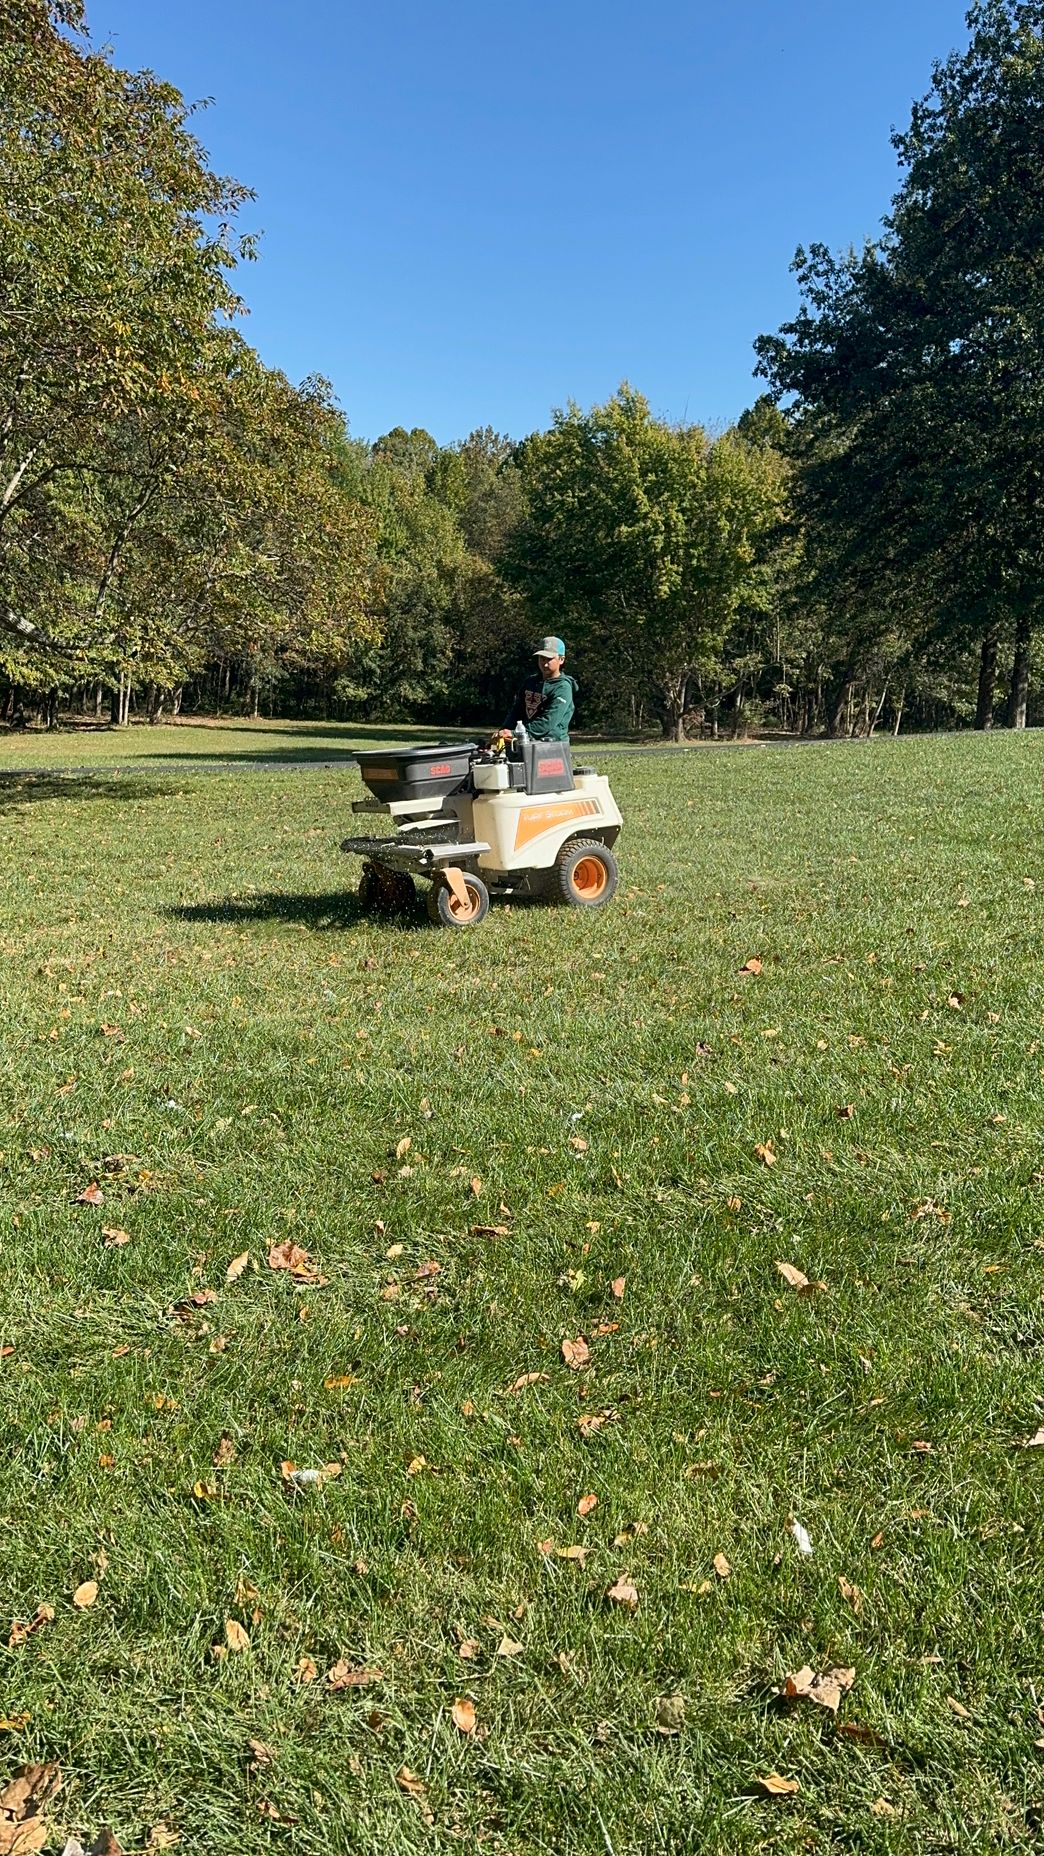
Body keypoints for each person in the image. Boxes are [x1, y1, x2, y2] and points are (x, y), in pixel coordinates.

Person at [499, 636, 576, 742]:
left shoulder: (563, 687)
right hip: (525, 741)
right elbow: (517, 710)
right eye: (542, 658)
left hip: (553, 745)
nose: (544, 663)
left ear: (561, 660)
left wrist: (516, 733)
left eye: (549, 659)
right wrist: (504, 731)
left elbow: (548, 721)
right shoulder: (530, 682)